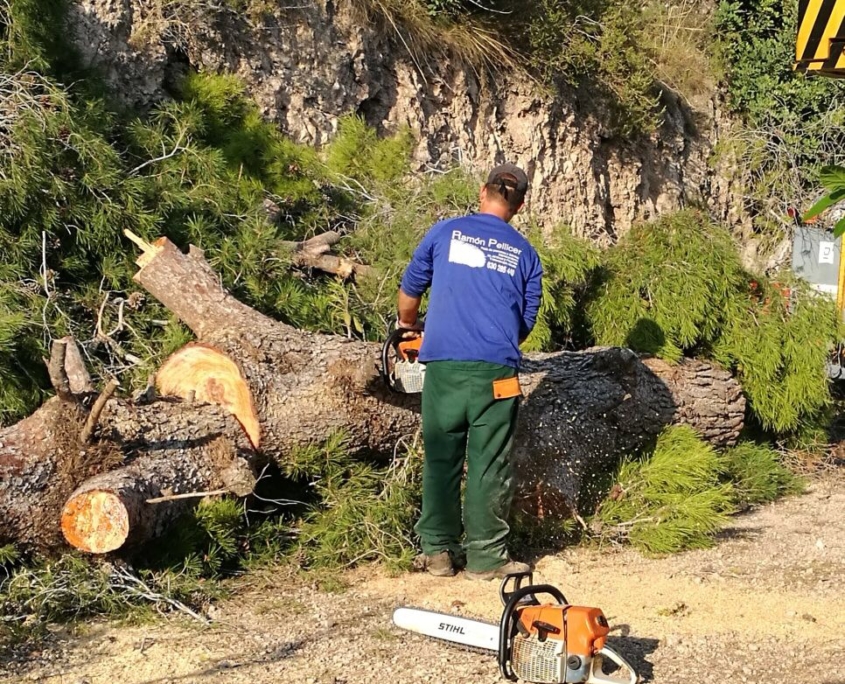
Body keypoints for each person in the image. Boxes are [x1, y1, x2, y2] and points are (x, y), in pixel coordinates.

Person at [396, 163, 543, 580]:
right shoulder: (526, 254)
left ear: (483, 191)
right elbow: (524, 323)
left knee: (442, 457)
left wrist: (409, 326)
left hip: (443, 365)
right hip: (497, 370)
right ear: (520, 204)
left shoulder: (445, 233)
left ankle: (439, 552)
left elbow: (410, 293)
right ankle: (487, 558)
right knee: (490, 462)